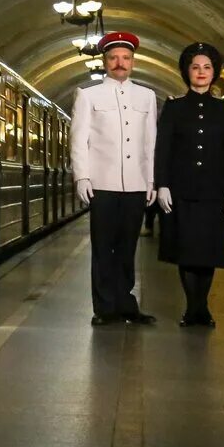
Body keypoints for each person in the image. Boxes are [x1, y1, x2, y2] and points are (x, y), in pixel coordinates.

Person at [70, 31, 158, 326]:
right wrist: (82, 177)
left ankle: (126, 303)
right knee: (103, 246)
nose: (120, 63)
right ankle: (105, 307)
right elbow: (79, 139)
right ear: (105, 61)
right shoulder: (88, 95)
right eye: (113, 58)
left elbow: (150, 143)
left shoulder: (147, 96)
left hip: (135, 184)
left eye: (125, 58)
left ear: (133, 61)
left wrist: (150, 181)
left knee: (128, 246)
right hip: (102, 184)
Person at [154, 43, 224, 327]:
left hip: (213, 190)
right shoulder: (174, 107)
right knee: (187, 251)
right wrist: (162, 184)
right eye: (195, 67)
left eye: (207, 67)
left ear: (214, 73)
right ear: (187, 72)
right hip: (182, 190)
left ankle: (202, 307)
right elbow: (162, 148)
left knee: (208, 251)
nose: (201, 72)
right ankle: (193, 308)